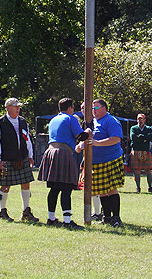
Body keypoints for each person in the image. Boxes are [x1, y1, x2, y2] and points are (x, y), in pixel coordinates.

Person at [0, 98, 39, 223]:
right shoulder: (0, 123)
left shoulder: (23, 122)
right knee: (5, 185)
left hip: (22, 157)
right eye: (15, 106)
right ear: (7, 108)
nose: (18, 109)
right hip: (7, 158)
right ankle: (2, 211)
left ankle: (26, 211)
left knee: (26, 183)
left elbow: (27, 140)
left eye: (19, 107)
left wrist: (30, 155)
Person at [38, 97, 89, 229]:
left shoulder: (53, 120)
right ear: (71, 108)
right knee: (67, 188)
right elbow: (80, 136)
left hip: (50, 152)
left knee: (54, 189)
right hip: (64, 153)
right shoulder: (71, 118)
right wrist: (87, 131)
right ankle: (67, 221)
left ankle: (51, 218)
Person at [76, 99, 124, 227]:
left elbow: (116, 138)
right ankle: (107, 217)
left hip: (111, 159)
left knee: (112, 189)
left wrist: (98, 143)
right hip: (96, 162)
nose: (93, 111)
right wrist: (81, 145)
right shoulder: (93, 122)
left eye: (96, 108)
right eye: (92, 109)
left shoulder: (111, 121)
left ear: (104, 108)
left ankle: (116, 218)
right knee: (102, 190)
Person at [129, 113, 152, 193]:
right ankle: (138, 188)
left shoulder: (148, 128)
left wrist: (140, 136)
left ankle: (150, 187)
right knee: (137, 170)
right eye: (139, 119)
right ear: (137, 120)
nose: (140, 120)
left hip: (146, 151)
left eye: (142, 119)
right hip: (136, 150)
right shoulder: (133, 128)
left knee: (148, 170)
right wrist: (144, 138)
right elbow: (133, 138)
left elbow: (150, 137)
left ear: (144, 120)